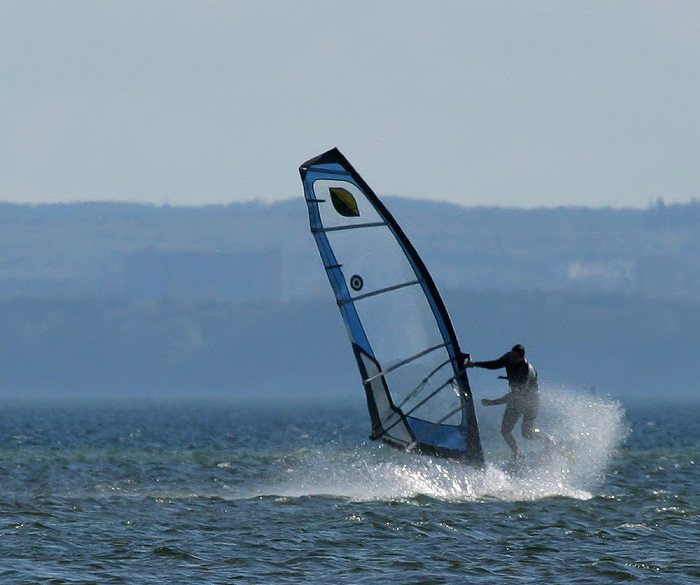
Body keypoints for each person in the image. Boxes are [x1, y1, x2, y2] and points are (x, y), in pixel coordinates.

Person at [463, 344, 555, 460]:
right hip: (516, 400)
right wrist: (475, 364)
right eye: (512, 355)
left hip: (531, 401)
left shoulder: (525, 372)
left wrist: (493, 402)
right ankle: (518, 453)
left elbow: (515, 395)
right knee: (505, 431)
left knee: (527, 433)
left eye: (515, 357)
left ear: (521, 358)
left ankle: (549, 439)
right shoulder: (509, 357)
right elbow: (495, 364)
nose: (512, 359)